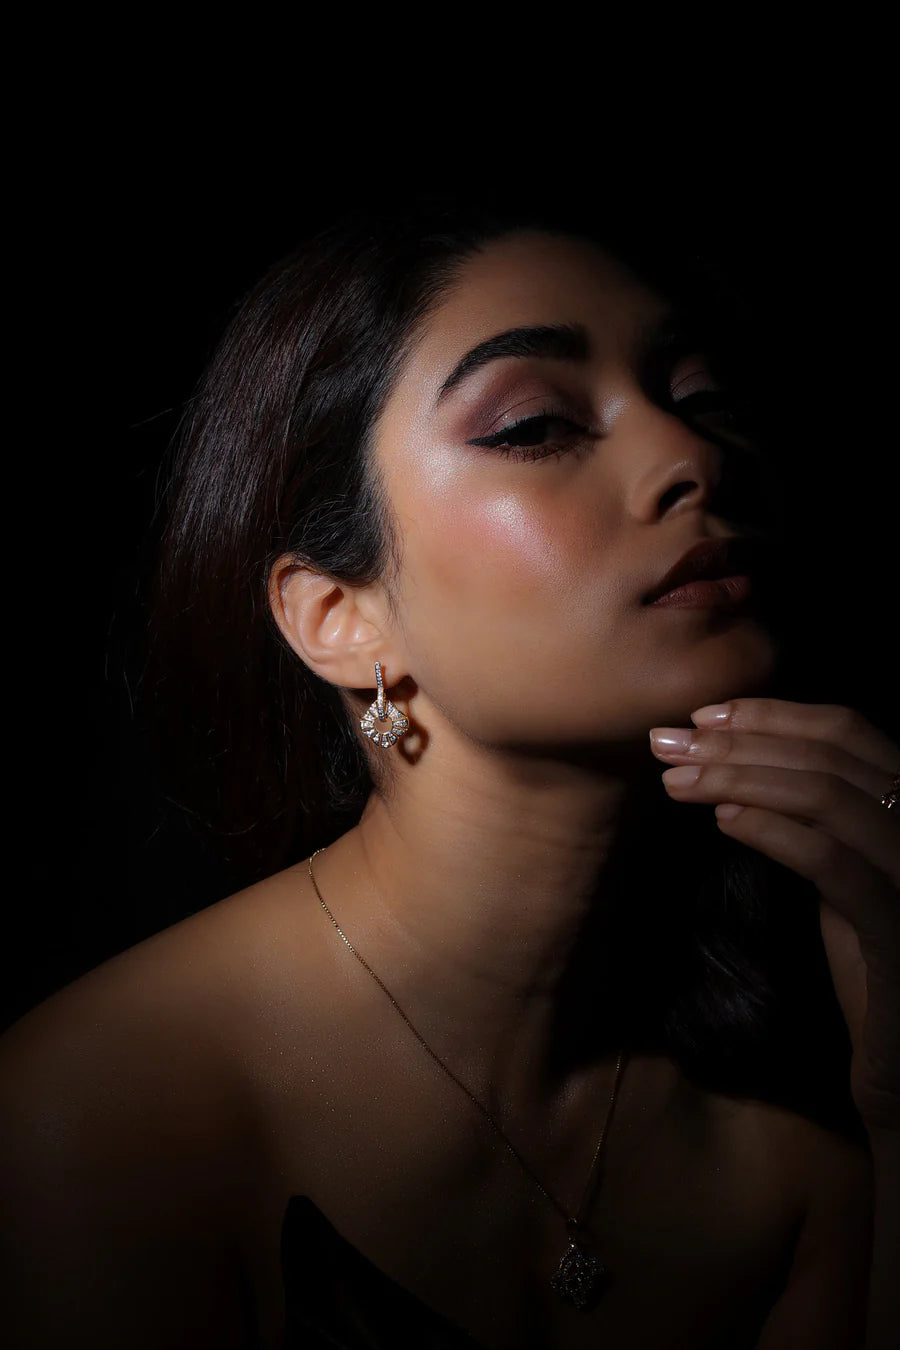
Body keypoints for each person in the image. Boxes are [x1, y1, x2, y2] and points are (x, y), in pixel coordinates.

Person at [2, 194, 898, 1350]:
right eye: (534, 425)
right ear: (339, 617)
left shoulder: (799, 1133)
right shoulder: (103, 1116)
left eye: (702, 400)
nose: (691, 457)